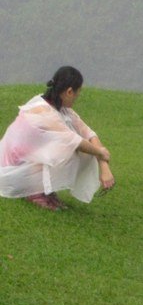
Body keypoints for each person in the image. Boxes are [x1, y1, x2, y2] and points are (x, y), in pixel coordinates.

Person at [0, 66, 115, 210]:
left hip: (23, 167)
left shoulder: (58, 107)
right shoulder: (43, 111)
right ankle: (35, 193)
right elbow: (77, 142)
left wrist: (104, 166)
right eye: (77, 94)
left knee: (84, 150)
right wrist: (100, 153)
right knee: (74, 152)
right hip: (12, 174)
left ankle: (44, 190)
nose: (76, 99)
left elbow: (89, 133)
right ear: (69, 92)